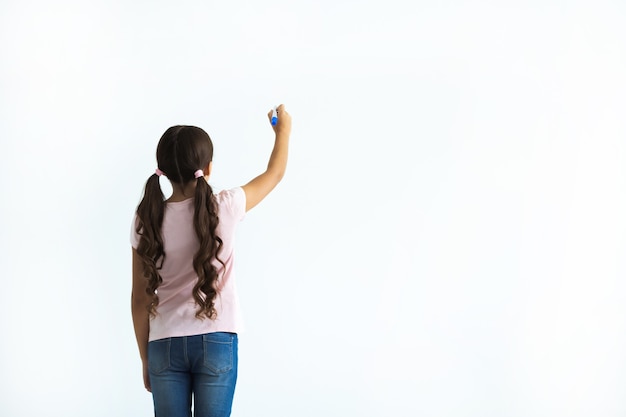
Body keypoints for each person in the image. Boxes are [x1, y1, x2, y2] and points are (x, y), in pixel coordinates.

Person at [130, 105, 291, 417]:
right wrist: (282, 131)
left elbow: (139, 298)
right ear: (208, 167)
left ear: (162, 169)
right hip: (217, 340)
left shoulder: (145, 219)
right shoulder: (225, 208)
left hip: (164, 343)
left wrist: (145, 358)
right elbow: (275, 174)